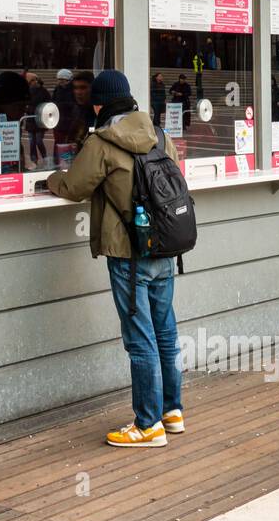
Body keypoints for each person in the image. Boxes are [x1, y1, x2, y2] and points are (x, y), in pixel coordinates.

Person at [45, 69, 184, 448]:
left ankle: (147, 425)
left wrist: (49, 180)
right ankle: (172, 413)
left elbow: (74, 187)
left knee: (139, 340)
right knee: (165, 332)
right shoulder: (160, 136)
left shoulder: (102, 141)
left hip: (128, 255)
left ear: (99, 103)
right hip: (163, 248)